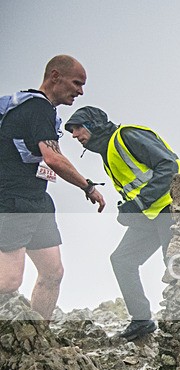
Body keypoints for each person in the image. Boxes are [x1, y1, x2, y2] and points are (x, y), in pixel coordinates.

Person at [65, 106, 180, 341]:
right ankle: (141, 320)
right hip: (151, 213)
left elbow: (168, 166)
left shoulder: (126, 136)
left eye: (77, 128)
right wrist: (130, 209)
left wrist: (139, 202)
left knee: (176, 266)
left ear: (93, 124)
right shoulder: (107, 152)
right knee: (122, 260)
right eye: (72, 131)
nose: (74, 135)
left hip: (171, 206)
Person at [0, 55, 105, 319]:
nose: (80, 91)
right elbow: (53, 158)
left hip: (37, 201)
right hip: (13, 200)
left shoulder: (45, 110)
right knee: (8, 282)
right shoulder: (37, 108)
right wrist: (88, 186)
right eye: (76, 83)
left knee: (52, 274)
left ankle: (38, 338)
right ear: (55, 76)